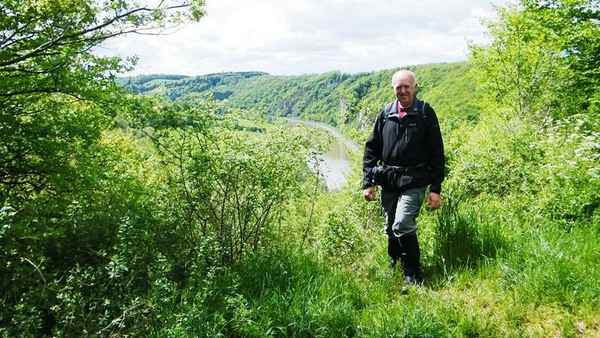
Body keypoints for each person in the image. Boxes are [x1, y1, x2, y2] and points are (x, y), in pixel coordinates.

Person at [362, 69, 445, 293]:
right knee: (390, 226)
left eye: (407, 86)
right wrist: (367, 182)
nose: (403, 90)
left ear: (415, 87)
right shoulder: (386, 114)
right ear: (393, 89)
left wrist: (435, 189)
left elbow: (437, 153)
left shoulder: (425, 113)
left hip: (414, 180)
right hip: (388, 180)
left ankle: (413, 275)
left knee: (402, 223)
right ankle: (395, 261)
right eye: (398, 87)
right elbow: (372, 149)